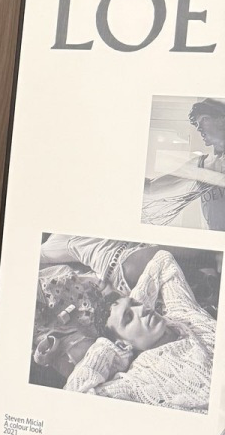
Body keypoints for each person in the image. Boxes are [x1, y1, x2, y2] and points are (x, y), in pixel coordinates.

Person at [47, 236, 218, 411]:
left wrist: (135, 302)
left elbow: (163, 259)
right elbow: (74, 402)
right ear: (122, 344)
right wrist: (109, 346)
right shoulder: (138, 381)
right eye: (128, 318)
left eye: (136, 305)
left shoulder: (181, 311)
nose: (141, 309)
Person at [142, 98, 225, 230]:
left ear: (221, 120)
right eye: (197, 124)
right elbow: (151, 187)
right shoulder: (199, 164)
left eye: (204, 119)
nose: (199, 128)